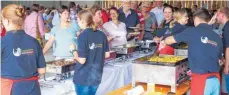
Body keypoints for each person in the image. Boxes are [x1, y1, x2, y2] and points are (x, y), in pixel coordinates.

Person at [163, 8, 223, 95]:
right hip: (216, 79)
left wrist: (164, 41)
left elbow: (169, 40)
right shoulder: (217, 37)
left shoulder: (191, 31)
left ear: (196, 19)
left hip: (201, 80)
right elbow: (220, 60)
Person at [1, 4, 46, 95]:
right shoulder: (34, 42)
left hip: (11, 90)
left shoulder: (2, 42)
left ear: (7, 21)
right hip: (33, 89)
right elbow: (42, 70)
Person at [70, 10, 110, 95]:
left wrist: (73, 50)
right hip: (97, 75)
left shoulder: (83, 36)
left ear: (83, 21)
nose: (77, 23)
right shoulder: (102, 34)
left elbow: (82, 60)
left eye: (77, 21)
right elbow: (107, 54)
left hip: (83, 76)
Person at [216, 7, 229, 93]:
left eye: (217, 14)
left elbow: (228, 48)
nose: (216, 17)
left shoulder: (227, 28)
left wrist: (227, 66)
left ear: (222, 15)